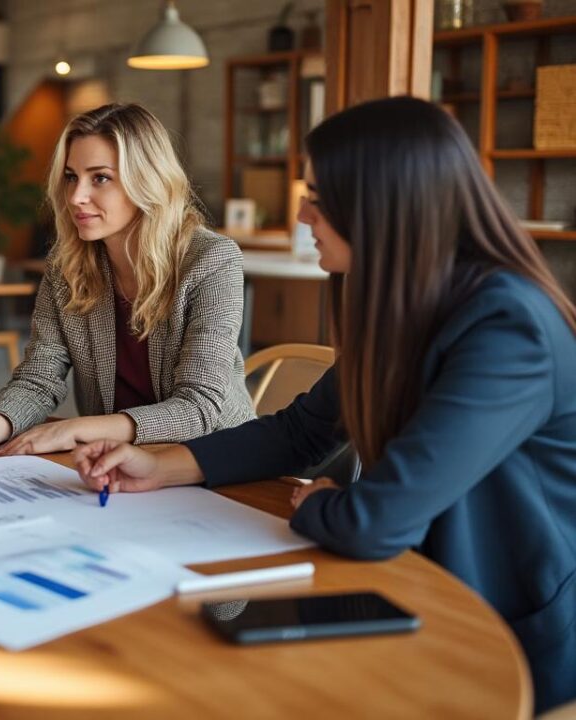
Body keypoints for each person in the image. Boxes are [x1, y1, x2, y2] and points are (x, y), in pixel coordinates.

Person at [73, 96, 576, 713]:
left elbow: (377, 520)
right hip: (410, 594)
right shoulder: (404, 304)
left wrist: (325, 502)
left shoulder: (508, 327)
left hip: (507, 633)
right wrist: (164, 464)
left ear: (381, 204)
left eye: (317, 195)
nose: (304, 212)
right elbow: (300, 433)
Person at [0, 103, 253, 473]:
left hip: (214, 467)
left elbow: (199, 408)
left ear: (146, 180)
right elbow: (39, 378)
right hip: (113, 468)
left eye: (99, 178)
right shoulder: (67, 266)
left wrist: (75, 431)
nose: (75, 196)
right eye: (71, 177)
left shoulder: (211, 261)